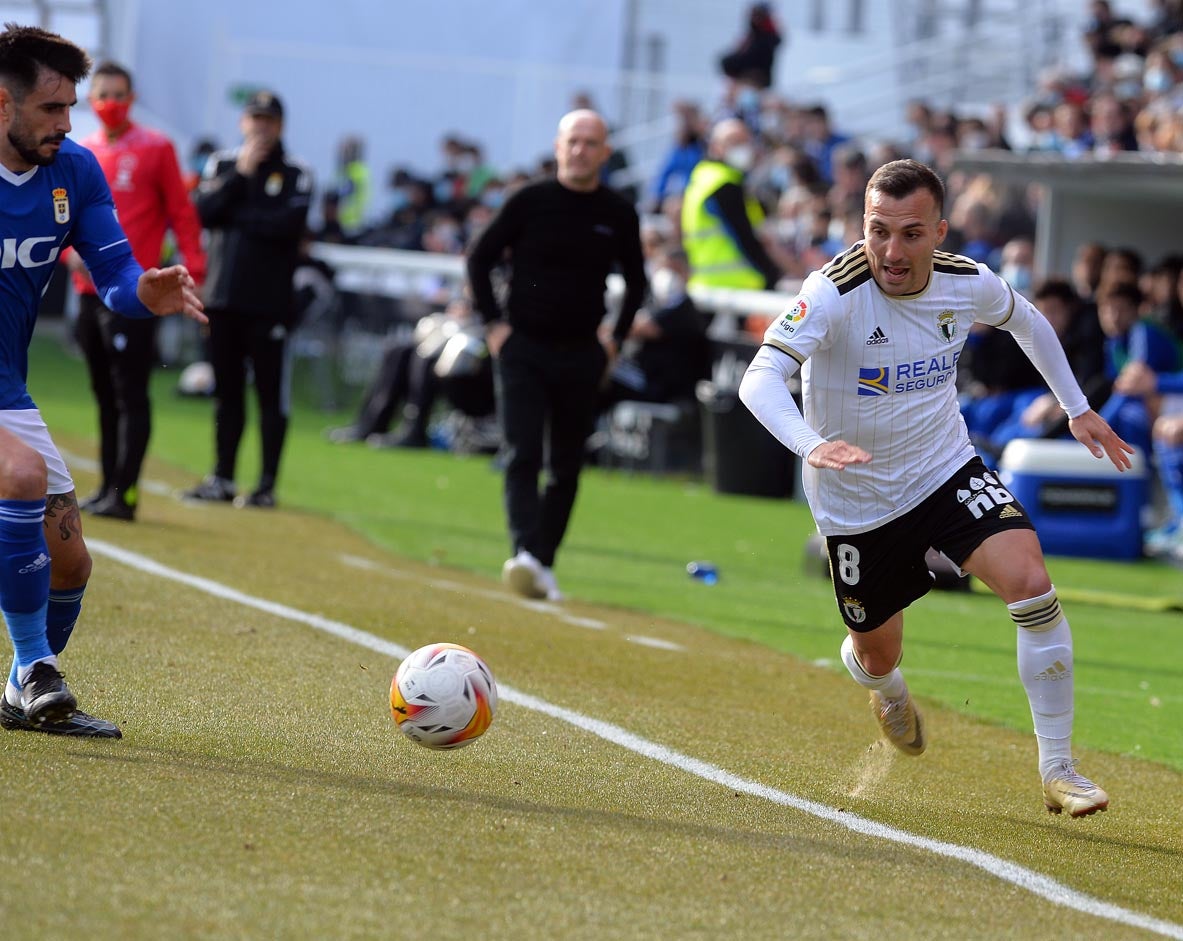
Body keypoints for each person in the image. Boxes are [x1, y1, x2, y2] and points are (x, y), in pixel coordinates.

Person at [739, 159, 1132, 817]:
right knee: (874, 650)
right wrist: (811, 444)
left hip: (943, 470)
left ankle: (1058, 768)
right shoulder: (832, 292)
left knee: (1030, 582)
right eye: (878, 231)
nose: (892, 251)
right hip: (855, 500)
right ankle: (888, 691)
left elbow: (1027, 319)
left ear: (939, 232)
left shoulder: (963, 282)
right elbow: (758, 378)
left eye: (911, 233)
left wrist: (1075, 405)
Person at [0, 24, 204, 737]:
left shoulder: (75, 171)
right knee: (20, 476)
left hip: (8, 387)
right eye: (52, 109)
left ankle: (23, 686)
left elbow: (116, 272)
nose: (68, 123)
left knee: (71, 562)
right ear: (3, 105)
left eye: (72, 108)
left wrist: (143, 292)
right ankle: (37, 669)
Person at [466, 109, 646, 602]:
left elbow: (637, 282)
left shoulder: (617, 211)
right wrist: (494, 325)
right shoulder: (530, 200)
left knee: (566, 464)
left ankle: (542, 561)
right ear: (558, 146)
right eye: (573, 141)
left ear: (605, 152)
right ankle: (524, 552)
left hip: (582, 352)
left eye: (591, 143)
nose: (580, 150)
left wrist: (615, 340)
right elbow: (479, 258)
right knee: (521, 452)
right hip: (522, 345)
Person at [66, 60, 206, 522]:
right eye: (103, 94)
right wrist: (70, 257)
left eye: (119, 94)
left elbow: (181, 213)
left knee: (131, 393)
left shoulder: (155, 148)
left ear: (133, 97)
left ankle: (125, 494)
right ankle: (108, 485)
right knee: (103, 392)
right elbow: (66, 224)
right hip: (88, 290)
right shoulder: (82, 152)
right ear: (91, 99)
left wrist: (194, 267)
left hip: (134, 291)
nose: (111, 103)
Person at [184, 89, 313, 509]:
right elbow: (202, 212)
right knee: (227, 392)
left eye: (268, 120)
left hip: (270, 303)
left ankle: (266, 484)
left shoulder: (296, 171)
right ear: (243, 122)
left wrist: (237, 215)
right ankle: (222, 476)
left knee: (270, 394)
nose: (260, 127)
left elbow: (287, 225)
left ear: (280, 126)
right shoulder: (223, 164)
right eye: (254, 118)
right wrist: (240, 175)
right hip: (222, 298)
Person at [681, 118, 784, 296]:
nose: (743, 147)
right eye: (735, 142)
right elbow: (743, 237)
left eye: (746, 141)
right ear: (715, 146)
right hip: (737, 287)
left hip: (710, 285)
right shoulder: (723, 185)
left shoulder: (703, 178)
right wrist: (771, 275)